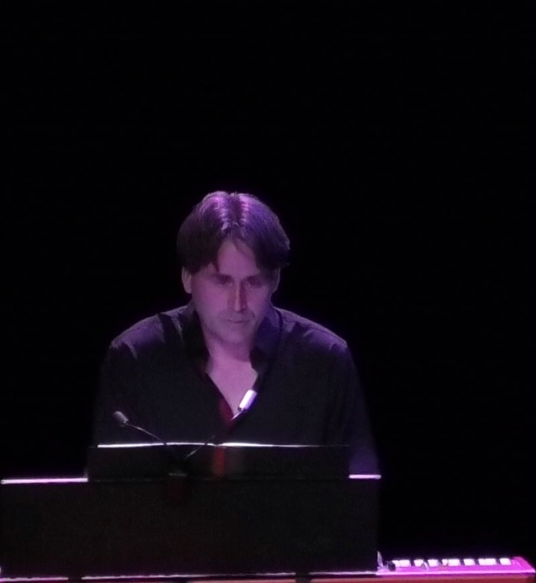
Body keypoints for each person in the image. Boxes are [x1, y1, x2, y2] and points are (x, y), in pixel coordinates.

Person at [89, 189, 380, 478]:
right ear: (187, 278)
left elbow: (357, 493)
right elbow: (109, 495)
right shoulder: (136, 359)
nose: (238, 303)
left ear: (275, 280)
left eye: (253, 282)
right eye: (222, 281)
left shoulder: (325, 361)